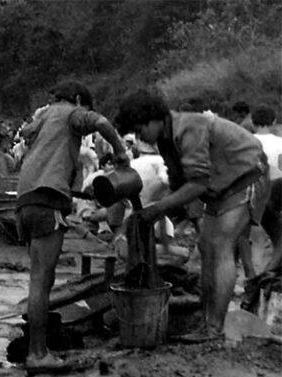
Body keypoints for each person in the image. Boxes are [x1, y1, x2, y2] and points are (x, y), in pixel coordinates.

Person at [115, 90, 277, 342]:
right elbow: (180, 182)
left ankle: (214, 328)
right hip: (221, 186)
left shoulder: (189, 128)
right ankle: (206, 323)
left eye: (139, 130)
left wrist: (159, 209)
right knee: (206, 246)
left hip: (248, 176)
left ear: (153, 119)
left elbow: (198, 184)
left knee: (221, 245)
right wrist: (161, 212)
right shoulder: (166, 139)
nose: (139, 137)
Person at [17, 80, 129, 368]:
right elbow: (101, 122)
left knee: (39, 278)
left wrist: (79, 192)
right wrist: (119, 151)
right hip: (46, 200)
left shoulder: (44, 117)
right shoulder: (70, 112)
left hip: (25, 199)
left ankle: (36, 349)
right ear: (79, 99)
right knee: (42, 282)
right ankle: (37, 354)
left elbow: (45, 154)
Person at [251, 105, 282, 274]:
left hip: (249, 196)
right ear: (274, 122)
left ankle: (253, 279)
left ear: (252, 122)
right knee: (275, 243)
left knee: (255, 243)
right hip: (274, 195)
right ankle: (264, 281)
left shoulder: (247, 140)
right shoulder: (280, 143)